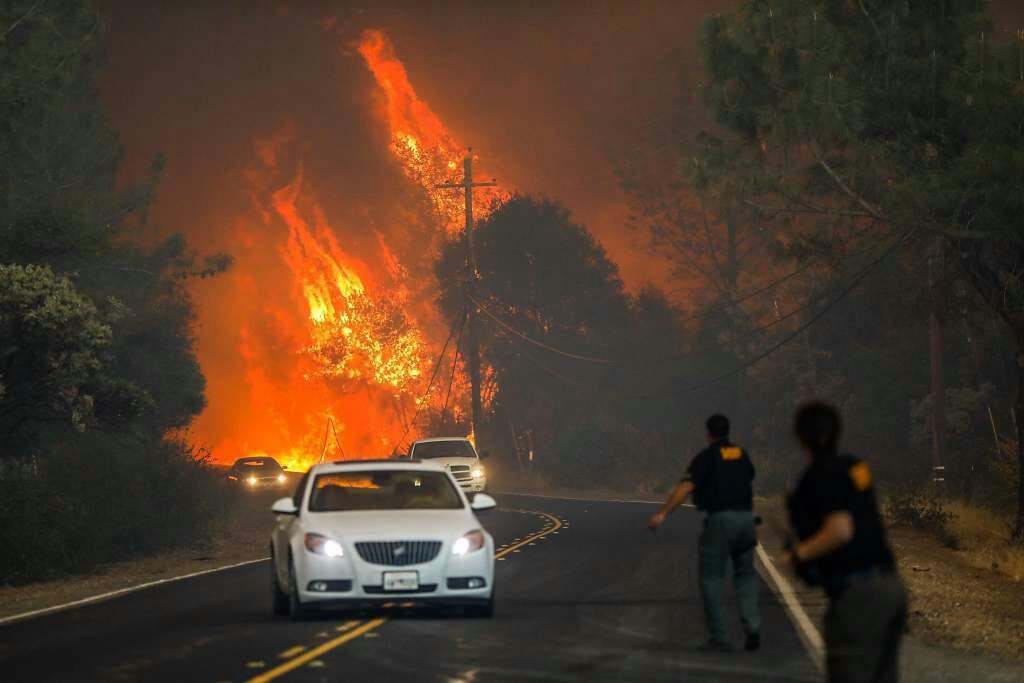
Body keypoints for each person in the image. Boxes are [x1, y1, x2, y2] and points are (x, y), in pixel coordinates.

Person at [786, 402, 907, 683]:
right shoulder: (857, 467)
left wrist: (800, 554)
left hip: (855, 594)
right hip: (890, 588)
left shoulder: (815, 476)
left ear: (800, 437)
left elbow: (840, 530)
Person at [648, 413, 760, 652]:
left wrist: (663, 513)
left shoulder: (706, 457)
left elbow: (687, 486)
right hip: (746, 520)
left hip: (720, 520)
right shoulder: (741, 454)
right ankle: (752, 625)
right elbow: (750, 476)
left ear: (708, 434)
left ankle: (720, 637)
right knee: (746, 575)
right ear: (728, 431)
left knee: (711, 578)